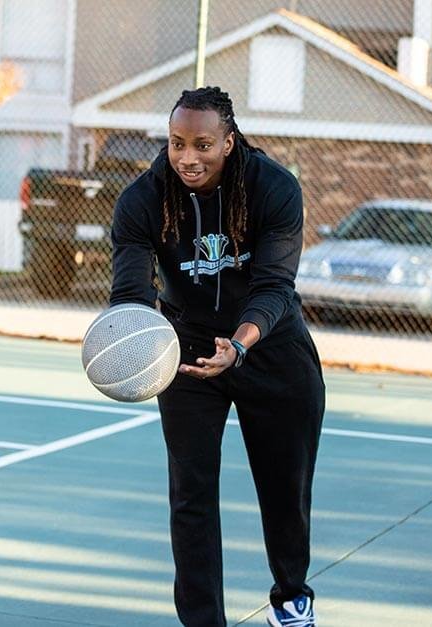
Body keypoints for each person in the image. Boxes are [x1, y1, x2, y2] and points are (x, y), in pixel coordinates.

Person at [110, 86, 325, 626]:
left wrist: (243, 343)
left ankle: (291, 599)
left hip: (270, 345)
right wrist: (130, 345)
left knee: (285, 487)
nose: (188, 157)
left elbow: (275, 285)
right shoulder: (142, 200)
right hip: (185, 350)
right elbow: (131, 294)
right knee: (191, 495)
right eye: (178, 143)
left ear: (228, 142)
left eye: (203, 144)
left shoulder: (274, 188)